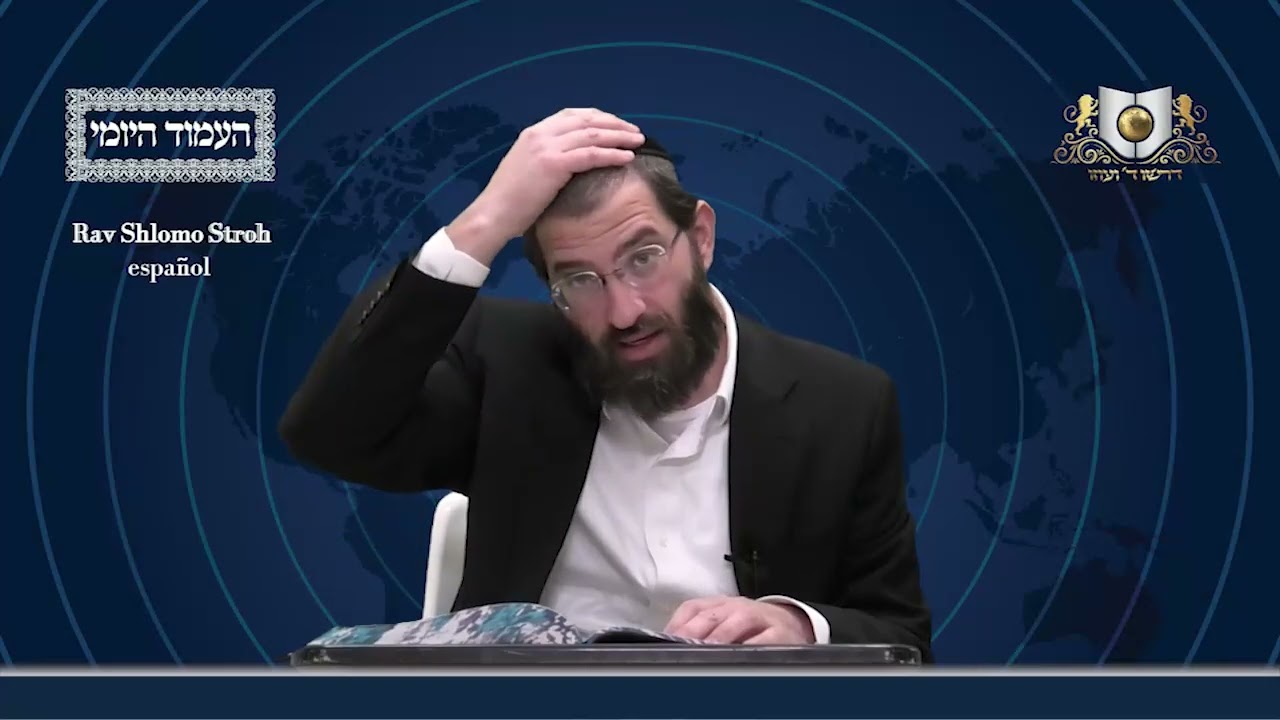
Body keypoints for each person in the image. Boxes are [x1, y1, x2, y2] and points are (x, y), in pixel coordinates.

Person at [279, 108, 932, 658]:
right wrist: (486, 221)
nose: (624, 311)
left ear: (701, 237)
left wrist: (800, 625)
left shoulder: (846, 404)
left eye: (643, 258)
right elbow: (330, 435)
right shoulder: (506, 360)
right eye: (579, 280)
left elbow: (902, 638)